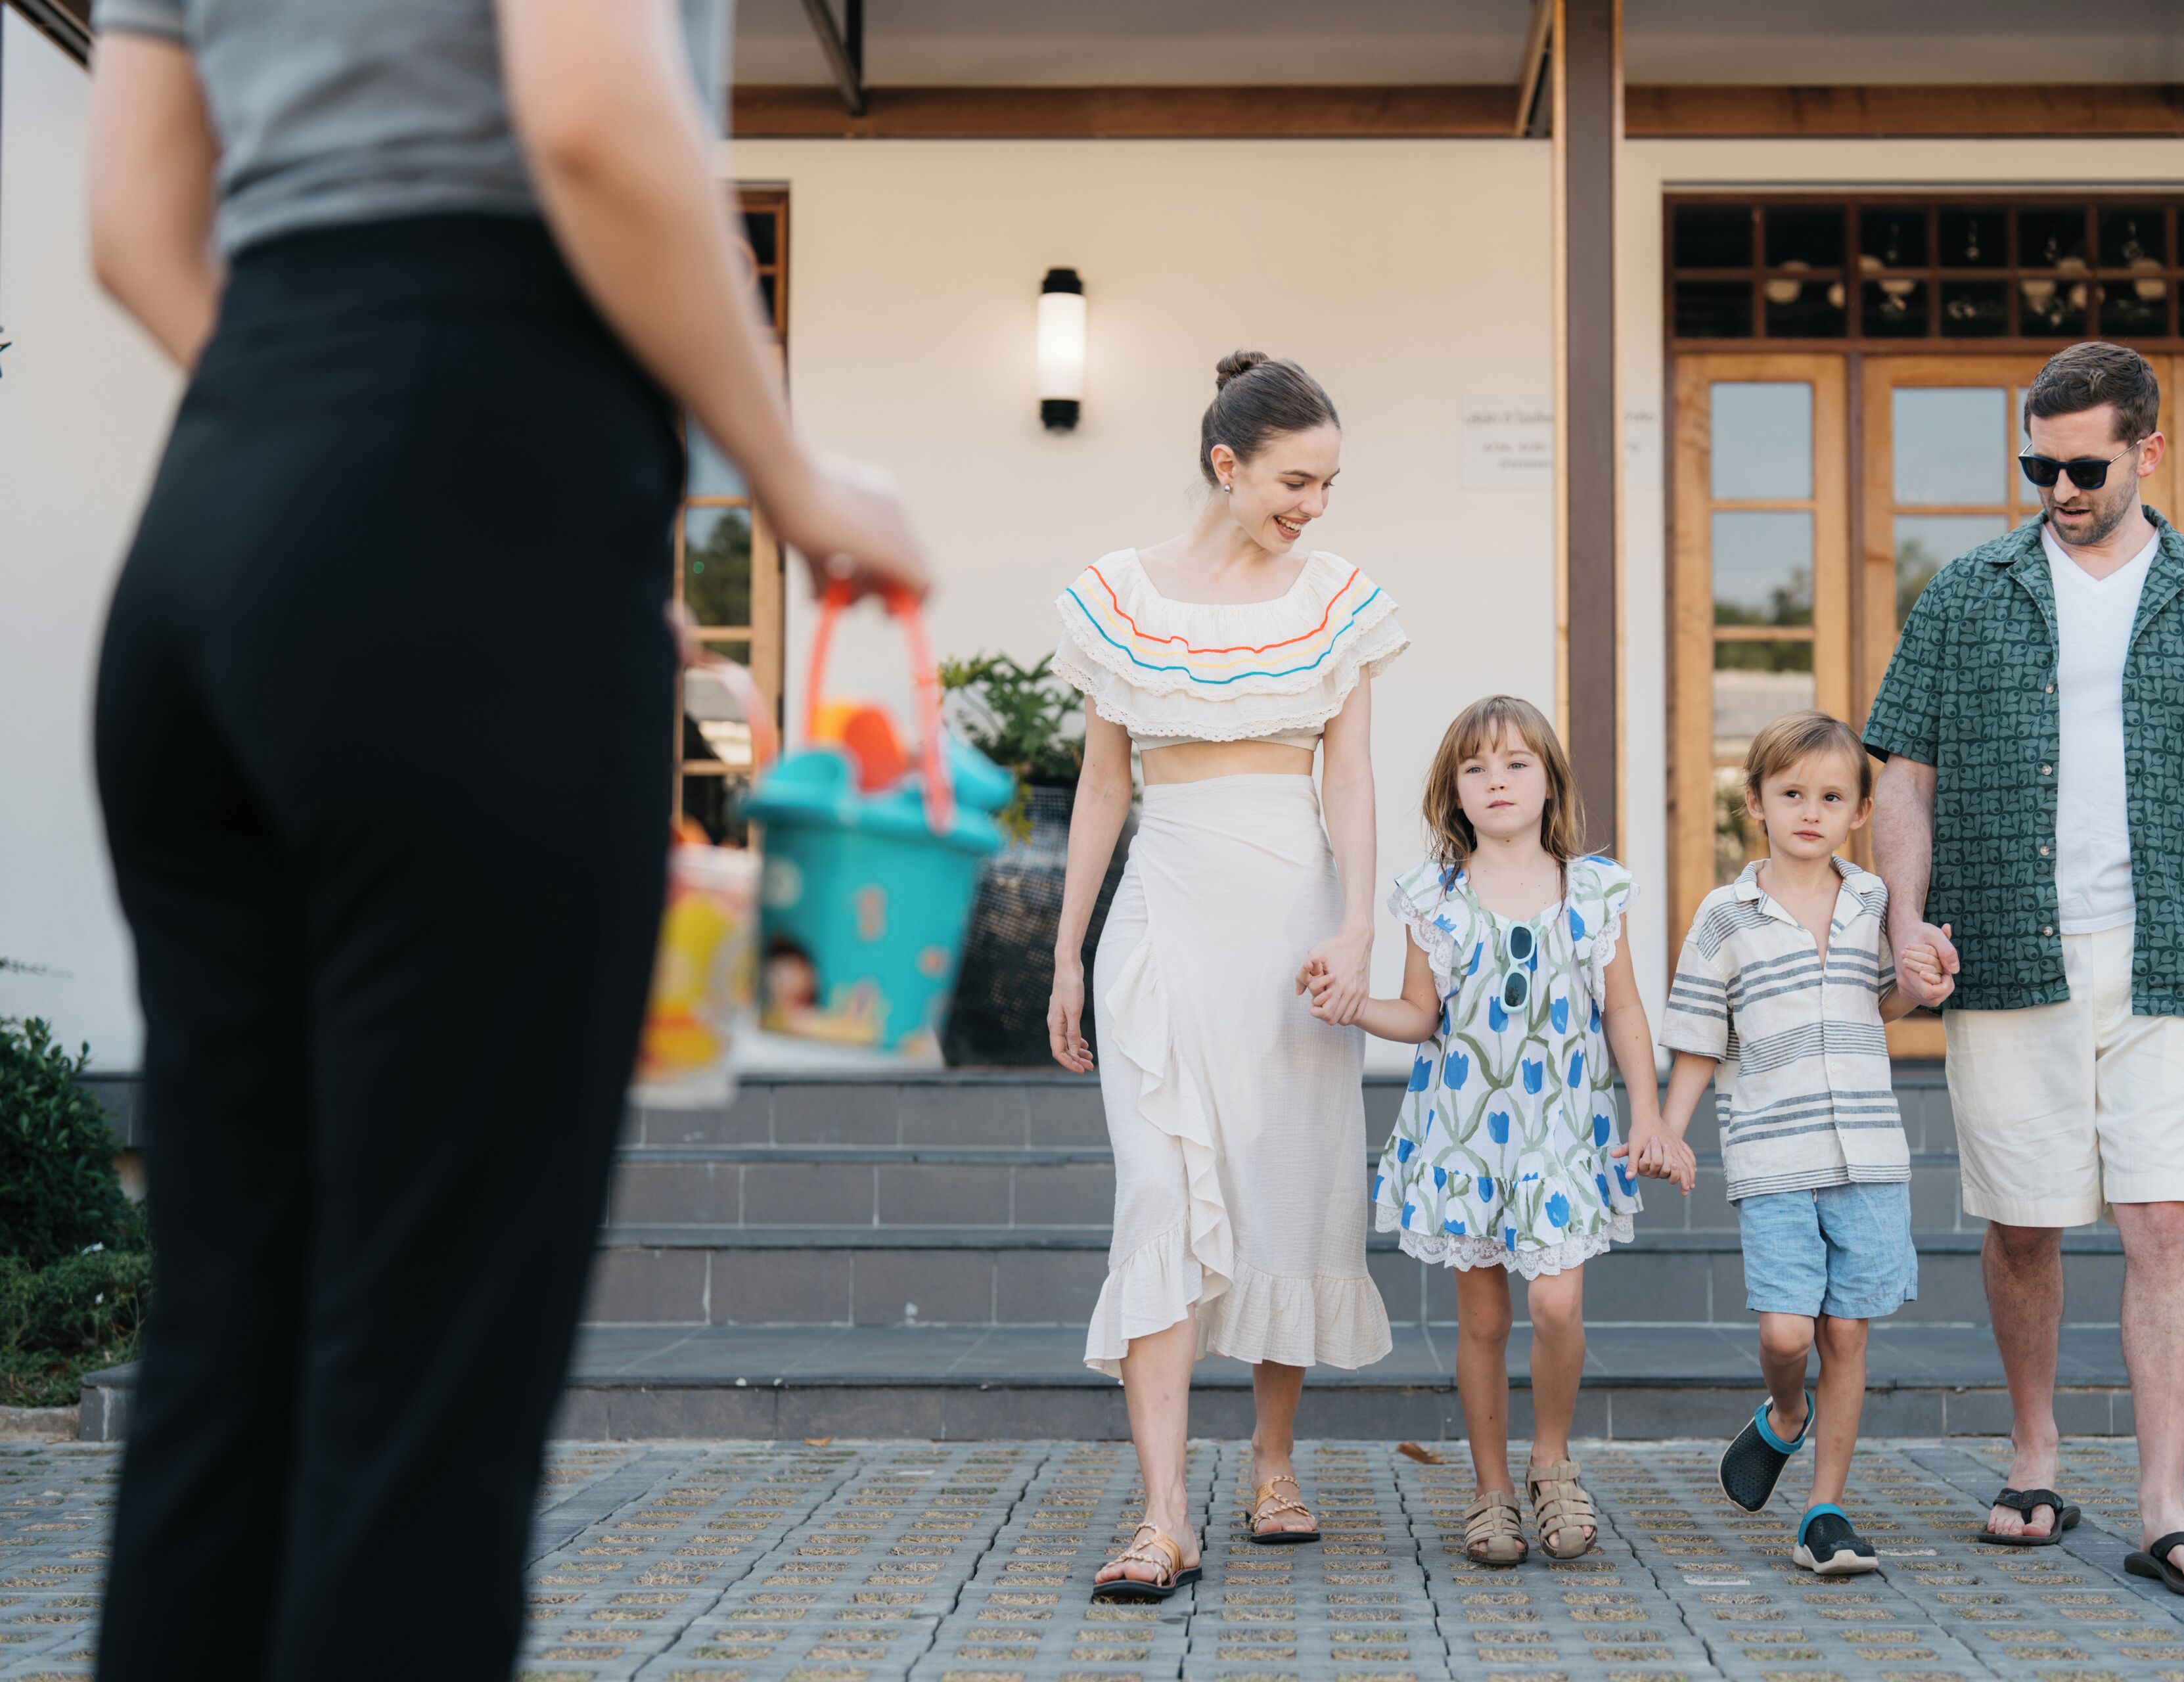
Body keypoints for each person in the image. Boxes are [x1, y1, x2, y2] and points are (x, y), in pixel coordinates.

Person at [82, 1, 928, 1675]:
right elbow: (593, 118)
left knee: (222, 1363)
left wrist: (324, 463)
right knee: (422, 1397)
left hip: (211, 533)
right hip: (469, 483)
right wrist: (788, 480)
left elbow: (130, 225)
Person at [1865, 341, 2184, 1599]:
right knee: (2024, 1221)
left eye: (2084, 467)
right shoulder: (1967, 592)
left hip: (2177, 953)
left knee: (2163, 1218)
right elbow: (1904, 773)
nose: (2060, 488)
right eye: (2039, 467)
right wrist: (1905, 921)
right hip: (2008, 948)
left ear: (2147, 452)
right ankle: (2035, 1456)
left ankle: (2166, 1503)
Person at [1047, 351, 1405, 1602]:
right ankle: (1162, 1515)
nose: (1315, 504)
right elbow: (1103, 785)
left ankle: (1272, 1461)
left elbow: (1349, 777)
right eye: (1296, 481)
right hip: (1164, 910)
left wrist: (1358, 928)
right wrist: (1067, 949)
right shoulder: (1117, 595)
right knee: (1158, 1193)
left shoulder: (1338, 598)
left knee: (1285, 1187)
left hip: (1292, 918)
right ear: (1227, 464)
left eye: (1329, 484)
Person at [1624, 711, 1949, 1576]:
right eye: (1793, 793)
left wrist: (1919, 984)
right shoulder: (1725, 917)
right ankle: (1785, 1414)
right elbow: (1699, 1038)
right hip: (1772, 1157)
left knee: (1847, 1333)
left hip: (1866, 1155)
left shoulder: (1876, 902)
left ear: (1860, 812)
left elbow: (1887, 998)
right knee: (1785, 1335)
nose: (1811, 811)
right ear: (1756, 802)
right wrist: (1666, 1129)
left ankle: (1823, 1513)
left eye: (1832, 797)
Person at [1333, 695, 1653, 1566]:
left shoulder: (1594, 890)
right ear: (1454, 792)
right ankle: (1492, 1489)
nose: (1496, 781)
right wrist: (1357, 1005)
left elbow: (1623, 1009)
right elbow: (1419, 1015)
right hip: (1464, 1136)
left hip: (1563, 1134)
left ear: (1550, 783)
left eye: (1516, 764)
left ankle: (1551, 1461)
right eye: (1475, 768)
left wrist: (1651, 1114)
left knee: (1556, 1304)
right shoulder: (1433, 899)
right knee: (1482, 1321)